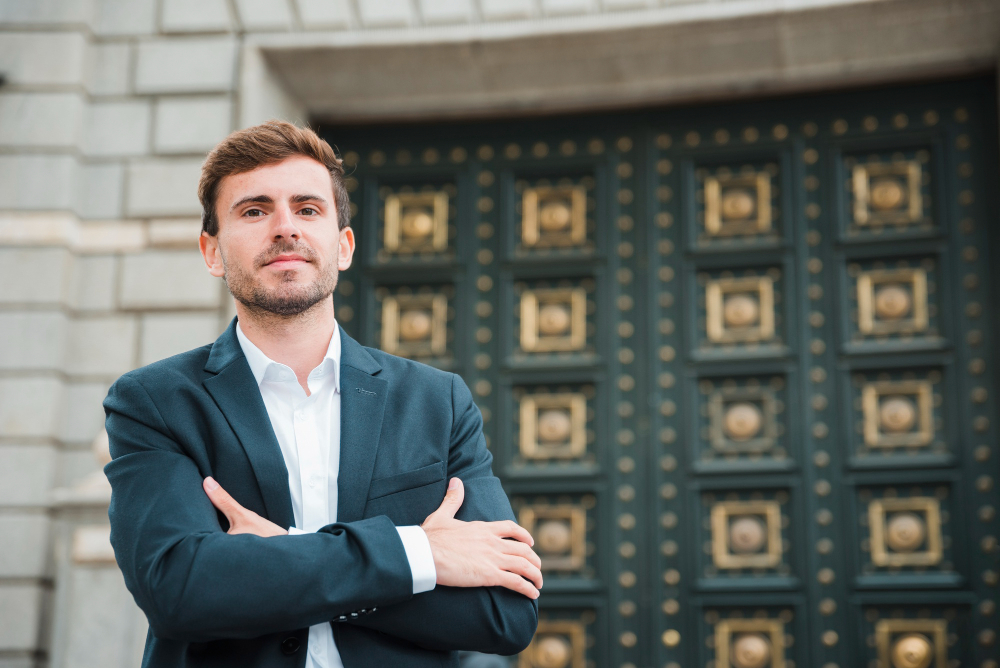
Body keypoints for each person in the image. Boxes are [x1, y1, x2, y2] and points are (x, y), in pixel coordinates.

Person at [103, 120, 541, 668]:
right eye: (255, 210)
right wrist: (420, 554)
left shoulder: (438, 402)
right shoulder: (155, 402)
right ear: (212, 252)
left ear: (344, 246)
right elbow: (180, 590)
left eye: (308, 209)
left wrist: (283, 552)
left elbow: (506, 612)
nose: (285, 227)